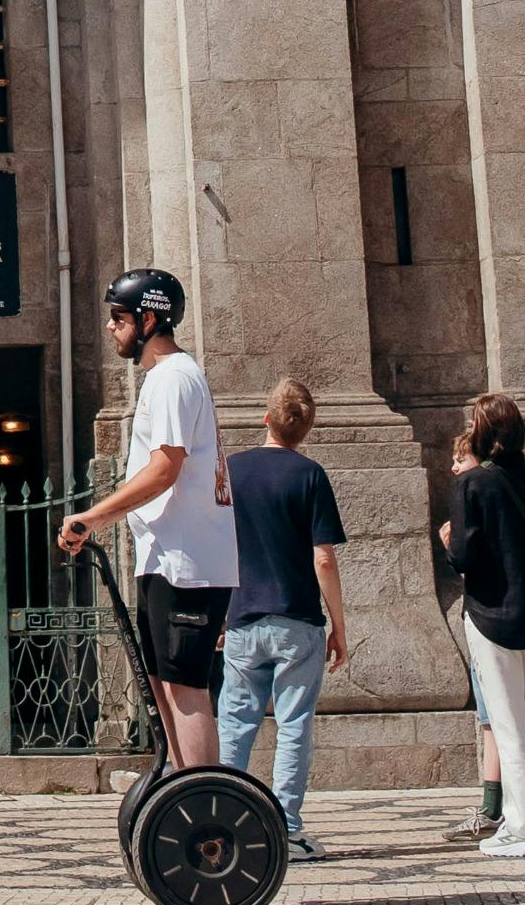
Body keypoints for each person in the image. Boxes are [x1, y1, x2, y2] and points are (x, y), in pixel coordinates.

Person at [57, 268, 233, 768]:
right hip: (165, 556)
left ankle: (203, 800)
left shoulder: (174, 378)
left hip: (188, 562)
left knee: (184, 686)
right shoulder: (162, 378)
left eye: (119, 318)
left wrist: (93, 517)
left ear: (149, 319)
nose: (111, 327)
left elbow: (164, 469)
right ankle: (180, 787)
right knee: (161, 684)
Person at [441, 393, 525, 861]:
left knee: (507, 721)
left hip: (490, 614)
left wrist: (447, 541)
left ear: (481, 431)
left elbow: (463, 557)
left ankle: (521, 826)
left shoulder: (471, 484)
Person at [219, 377, 349, 856]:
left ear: (266, 418)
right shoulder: (310, 475)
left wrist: (221, 616)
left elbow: (219, 547)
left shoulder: (232, 470)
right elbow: (324, 559)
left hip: (243, 616)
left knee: (235, 725)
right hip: (297, 617)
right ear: (306, 429)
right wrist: (339, 625)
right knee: (294, 725)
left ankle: (225, 821)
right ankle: (288, 829)